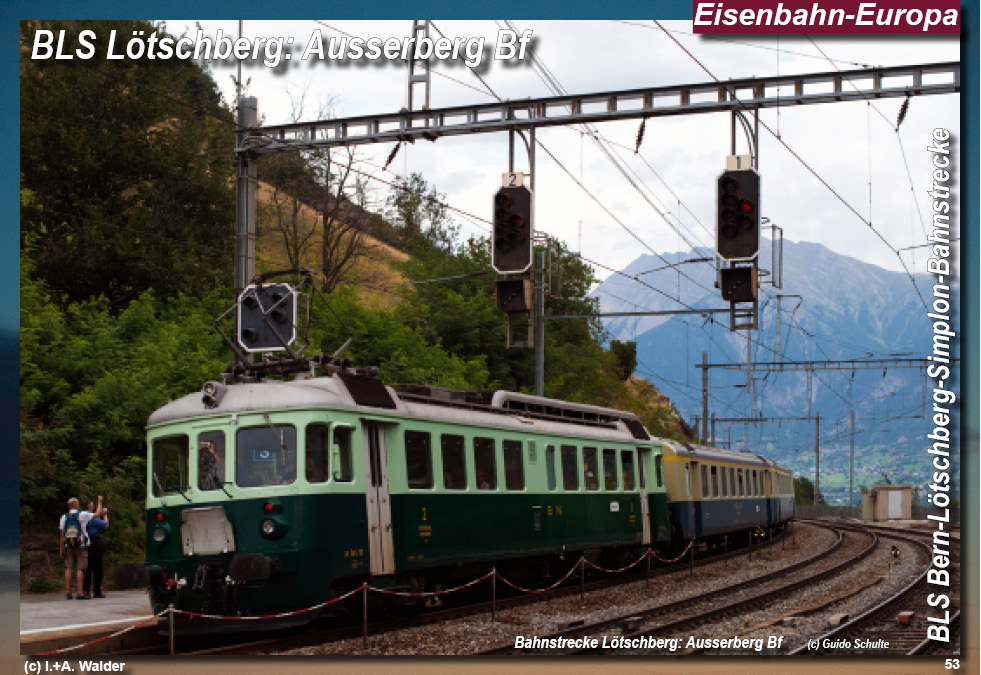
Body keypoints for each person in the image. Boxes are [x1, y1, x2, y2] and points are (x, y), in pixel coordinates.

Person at [60, 496, 97, 600]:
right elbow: (97, 514)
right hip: (81, 545)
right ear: (77, 505)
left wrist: (61, 548)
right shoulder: (82, 515)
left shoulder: (64, 517)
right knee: (80, 569)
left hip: (68, 546)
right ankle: (80, 593)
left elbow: (62, 534)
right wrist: (99, 502)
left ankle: (68, 592)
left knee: (68, 568)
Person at [82, 498, 108, 599]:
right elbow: (105, 525)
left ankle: (86, 590)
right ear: (90, 507)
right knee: (98, 568)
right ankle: (97, 591)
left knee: (87, 568)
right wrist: (104, 515)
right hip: (94, 542)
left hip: (84, 542)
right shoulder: (92, 517)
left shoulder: (80, 516)